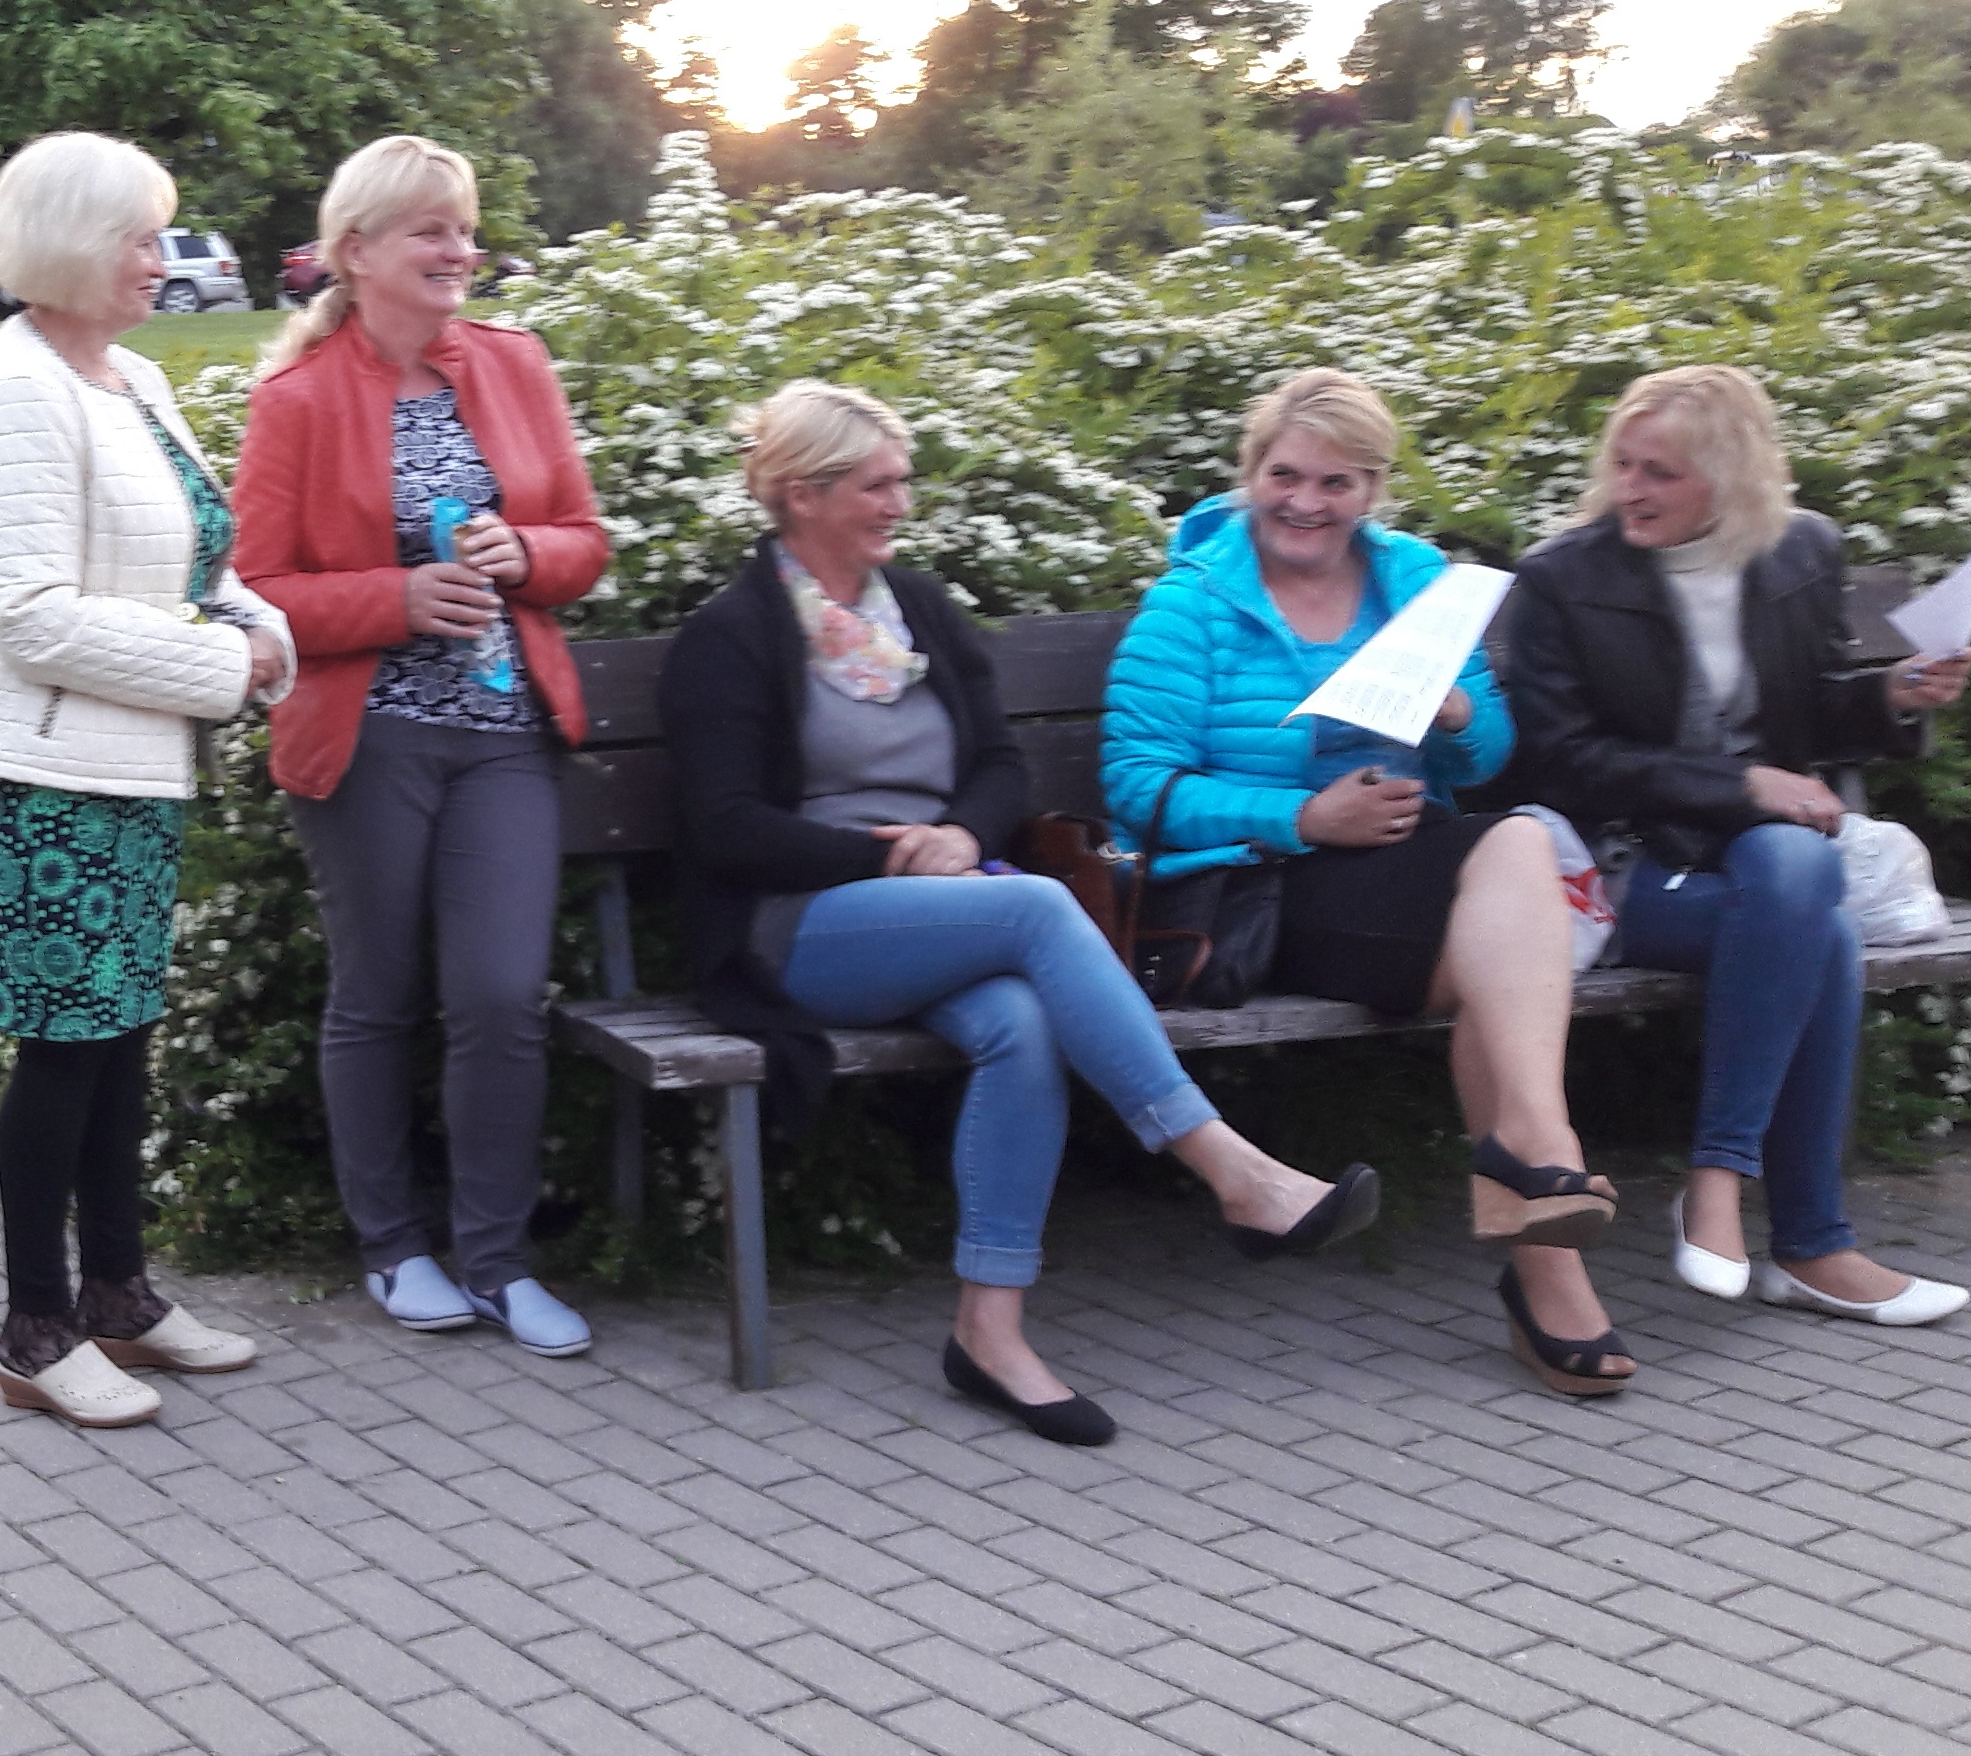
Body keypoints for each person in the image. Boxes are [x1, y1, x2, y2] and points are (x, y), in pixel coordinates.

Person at [671, 383, 1381, 1446]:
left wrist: (961, 835)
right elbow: (725, 827)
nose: (901, 504)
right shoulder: (729, 637)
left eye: (902, 481)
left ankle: (989, 1334)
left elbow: (1001, 766)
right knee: (1041, 910)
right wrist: (889, 853)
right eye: (876, 486)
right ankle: (1234, 1173)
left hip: (949, 903)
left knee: (1023, 1020)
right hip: (800, 923)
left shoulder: (917, 609)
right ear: (802, 494)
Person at [1103, 371, 1634, 1401]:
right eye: (1285, 476)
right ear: (1250, 475)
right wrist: (1300, 818)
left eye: (1336, 482)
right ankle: (1545, 1216)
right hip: (1265, 888)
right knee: (1503, 930)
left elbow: (1487, 756)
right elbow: (1135, 787)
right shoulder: (1191, 605)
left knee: (1516, 850)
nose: (1306, 502)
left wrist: (1455, 717)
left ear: (1373, 489)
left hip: (1401, 862)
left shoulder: (1416, 583)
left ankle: (1532, 1166)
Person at [230, 136, 610, 1356]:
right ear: (355, 253)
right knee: (379, 997)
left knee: (500, 996)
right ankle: (394, 1247)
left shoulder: (515, 364)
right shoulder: (297, 399)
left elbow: (583, 541)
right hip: (370, 738)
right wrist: (398, 599)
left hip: (504, 736)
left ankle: (498, 1263)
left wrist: (527, 553)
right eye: (430, 231)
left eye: (465, 228)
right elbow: (252, 590)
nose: (459, 251)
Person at [1499, 361, 1971, 1325]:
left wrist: (1892, 696)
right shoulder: (1563, 578)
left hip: (1762, 854)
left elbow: (1814, 707)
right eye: (1623, 464)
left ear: (1732, 477)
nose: (1631, 489)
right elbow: (1563, 761)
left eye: (1661, 472)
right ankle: (1803, 1240)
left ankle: (1723, 1182)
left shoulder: (1801, 551)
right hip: (1622, 861)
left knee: (1798, 869)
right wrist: (1741, 785)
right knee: (1821, 931)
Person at [0, 132, 288, 1426]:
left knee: (121, 1038)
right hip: (44, 777)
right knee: (65, 1049)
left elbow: (195, 556)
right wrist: (225, 664)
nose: (162, 258)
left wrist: (258, 630)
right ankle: (36, 1331)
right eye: (141, 237)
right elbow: (29, 618)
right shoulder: (15, 393)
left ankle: (120, 1298)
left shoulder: (128, 376)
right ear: (74, 246)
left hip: (129, 763)